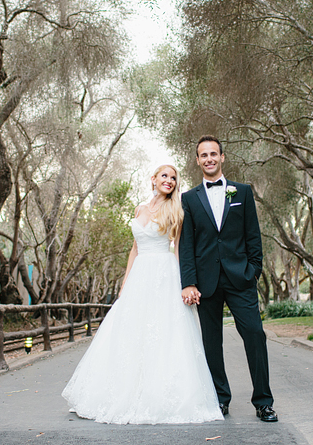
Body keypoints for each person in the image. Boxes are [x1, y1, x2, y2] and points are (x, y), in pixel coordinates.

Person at [62, 165, 223, 424]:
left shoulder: (176, 210)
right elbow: (134, 249)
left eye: (173, 178)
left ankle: (160, 395)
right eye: (164, 176)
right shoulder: (139, 209)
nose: (169, 180)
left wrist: (187, 283)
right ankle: (121, 392)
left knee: (163, 333)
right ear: (153, 179)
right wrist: (125, 283)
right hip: (139, 275)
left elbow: (181, 248)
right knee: (130, 332)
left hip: (164, 273)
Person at [179, 136, 277, 422]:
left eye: (213, 153)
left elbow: (253, 238)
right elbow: (187, 245)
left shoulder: (242, 193)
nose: (209, 158)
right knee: (212, 343)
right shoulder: (189, 198)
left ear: (223, 157)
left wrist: (253, 271)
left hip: (240, 279)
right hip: (206, 282)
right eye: (203, 155)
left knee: (255, 335)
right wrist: (189, 282)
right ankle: (220, 399)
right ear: (197, 161)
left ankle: (263, 402)